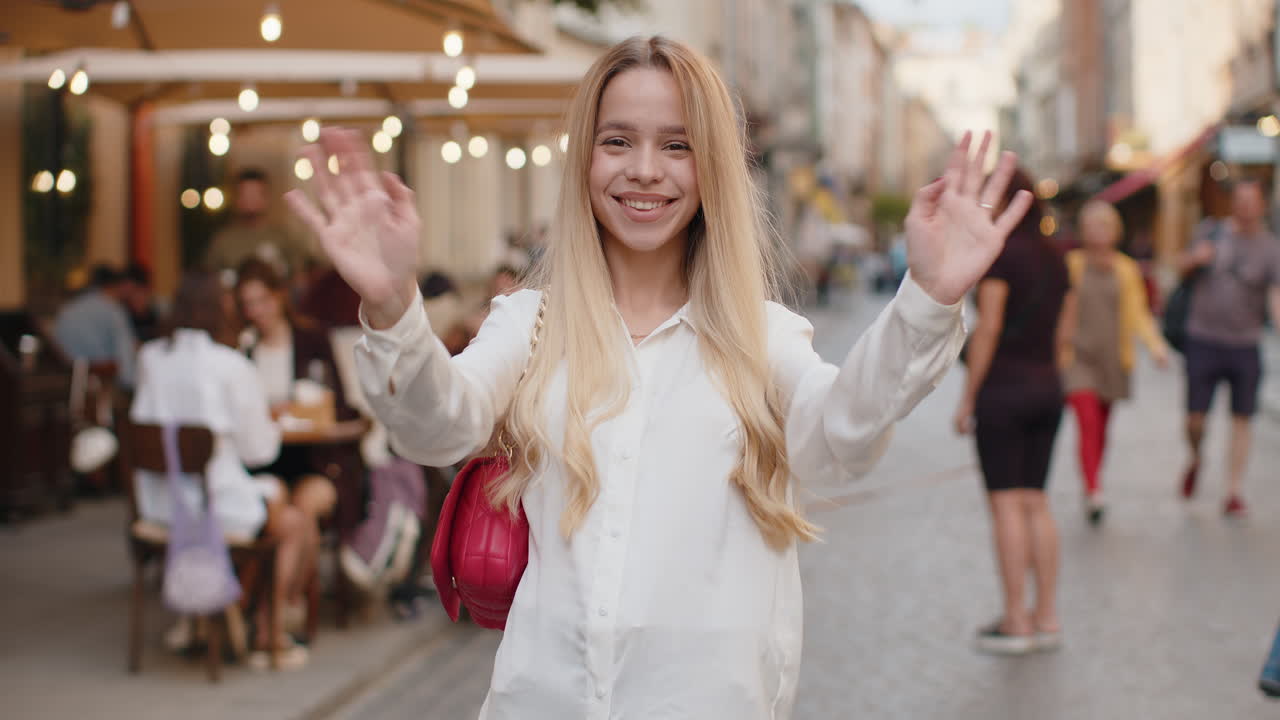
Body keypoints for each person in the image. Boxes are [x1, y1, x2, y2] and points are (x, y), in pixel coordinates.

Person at [287, 36, 1031, 719]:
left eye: (677, 145)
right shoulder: (530, 325)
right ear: (586, 157)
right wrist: (391, 307)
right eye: (618, 141)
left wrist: (926, 301)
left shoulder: (761, 338)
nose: (645, 169)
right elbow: (436, 425)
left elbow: (840, 437)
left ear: (712, 168)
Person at [129, 270, 316, 669]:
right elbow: (259, 452)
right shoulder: (230, 366)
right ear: (220, 309)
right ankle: (268, 632)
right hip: (217, 509)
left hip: (159, 508)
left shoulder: (149, 359)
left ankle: (206, 617)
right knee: (292, 520)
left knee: (273, 505)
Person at [953, 167, 1071, 655]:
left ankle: (1016, 620)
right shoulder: (1058, 259)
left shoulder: (999, 257)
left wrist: (968, 397)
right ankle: (1046, 616)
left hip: (1005, 388)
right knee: (1036, 502)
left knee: (1006, 505)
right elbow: (1065, 335)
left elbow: (989, 328)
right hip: (1048, 385)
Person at [1061, 200, 1170, 525]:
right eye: (1092, 225)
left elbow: (1138, 313)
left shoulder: (1127, 269)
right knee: (1088, 421)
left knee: (1102, 429)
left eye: (1104, 225)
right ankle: (1094, 490)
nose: (1098, 232)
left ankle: (1094, 480)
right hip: (1078, 358)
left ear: (1114, 231)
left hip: (1113, 359)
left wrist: (1155, 347)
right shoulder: (1071, 264)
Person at [1178, 179, 1280, 516]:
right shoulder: (1210, 232)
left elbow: (1275, 294)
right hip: (1203, 338)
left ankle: (1233, 490)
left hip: (1244, 343)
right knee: (1195, 419)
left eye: (1252, 200)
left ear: (1261, 204)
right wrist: (1196, 259)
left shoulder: (1269, 247)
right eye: (1240, 200)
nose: (1246, 206)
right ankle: (1196, 457)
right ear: (1233, 203)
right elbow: (1182, 267)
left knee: (1242, 419)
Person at [234, 257, 357, 532]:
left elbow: (337, 402)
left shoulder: (311, 340)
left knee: (305, 507)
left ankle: (292, 576)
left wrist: (297, 410)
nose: (257, 311)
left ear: (279, 296)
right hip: (264, 461)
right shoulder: (245, 348)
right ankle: (298, 576)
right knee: (278, 509)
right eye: (248, 304)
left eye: (262, 300)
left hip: (312, 458)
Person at [204, 168, 312, 278]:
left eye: (255, 194)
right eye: (245, 194)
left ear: (266, 197)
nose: (250, 200)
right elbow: (207, 278)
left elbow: (302, 274)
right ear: (237, 198)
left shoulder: (283, 237)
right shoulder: (223, 241)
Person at [53, 263, 139, 388]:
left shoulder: (68, 309)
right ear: (115, 286)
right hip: (99, 385)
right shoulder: (113, 311)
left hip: (64, 380)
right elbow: (126, 367)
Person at [120, 262, 161, 343]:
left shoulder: (154, 315)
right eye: (135, 293)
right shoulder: (123, 314)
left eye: (143, 293)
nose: (139, 298)